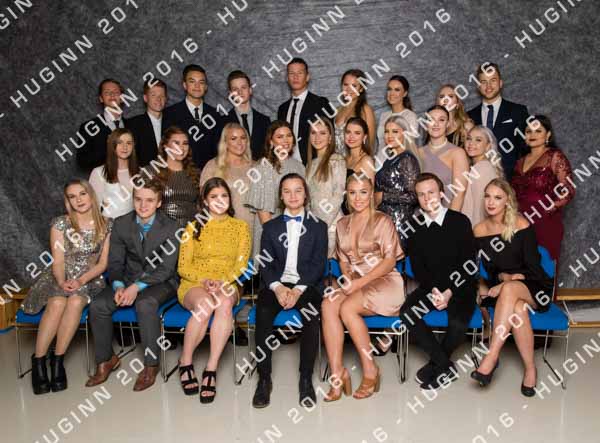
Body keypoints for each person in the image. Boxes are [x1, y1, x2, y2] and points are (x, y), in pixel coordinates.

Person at [86, 179, 179, 392]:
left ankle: (150, 365)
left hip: (161, 281)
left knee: (145, 304)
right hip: (127, 279)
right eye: (138, 199)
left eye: (149, 200)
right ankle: (106, 360)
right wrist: (118, 285)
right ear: (133, 199)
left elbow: (166, 269)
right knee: (98, 305)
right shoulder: (121, 223)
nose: (143, 205)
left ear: (159, 202)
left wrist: (136, 287)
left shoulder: (172, 226)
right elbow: (115, 262)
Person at [22, 179, 112, 395]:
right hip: (59, 275)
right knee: (57, 302)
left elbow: (102, 264)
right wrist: (62, 282)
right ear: (68, 201)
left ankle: (58, 361)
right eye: (72, 197)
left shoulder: (106, 224)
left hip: (89, 278)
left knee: (76, 302)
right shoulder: (60, 224)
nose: (78, 200)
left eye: (82, 194)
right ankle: (39, 362)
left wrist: (80, 281)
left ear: (91, 195)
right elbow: (59, 261)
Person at [322, 174, 405, 401]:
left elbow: (390, 261)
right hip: (356, 283)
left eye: (363, 192)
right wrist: (348, 277)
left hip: (385, 282)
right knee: (328, 304)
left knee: (347, 308)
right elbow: (343, 260)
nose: (358, 198)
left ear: (371, 194)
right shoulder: (342, 224)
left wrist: (359, 282)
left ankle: (370, 370)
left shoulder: (383, 221)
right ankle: (338, 374)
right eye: (352, 193)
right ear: (347, 195)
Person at [471, 178, 554, 397]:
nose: (491, 202)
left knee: (510, 290)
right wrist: (504, 278)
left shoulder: (521, 224)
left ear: (507, 201)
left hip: (534, 286)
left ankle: (491, 356)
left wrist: (512, 280)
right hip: (503, 289)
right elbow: (488, 270)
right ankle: (530, 369)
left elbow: (534, 268)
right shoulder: (479, 230)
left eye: (497, 197)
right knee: (518, 309)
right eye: (487, 196)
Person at [252, 173, 328, 408]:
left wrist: (298, 291)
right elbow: (265, 263)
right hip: (277, 283)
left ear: (305, 194)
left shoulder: (319, 226)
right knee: (263, 313)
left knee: (311, 316)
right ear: (281, 196)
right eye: (287, 191)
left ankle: (305, 378)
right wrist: (278, 288)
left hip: (307, 284)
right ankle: (264, 379)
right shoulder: (270, 227)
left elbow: (318, 264)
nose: (293, 196)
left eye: (298, 190)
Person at [399, 173, 477, 390]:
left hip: (461, 286)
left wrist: (449, 292)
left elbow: (469, 264)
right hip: (431, 287)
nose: (427, 198)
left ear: (442, 194)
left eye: (431, 192)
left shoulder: (460, 221)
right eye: (421, 194)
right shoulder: (414, 226)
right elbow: (418, 268)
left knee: (458, 323)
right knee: (407, 312)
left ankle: (436, 364)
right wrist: (435, 292)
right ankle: (445, 365)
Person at [176, 178, 251, 403]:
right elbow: (182, 266)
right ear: (205, 201)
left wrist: (221, 281)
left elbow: (241, 264)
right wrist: (205, 280)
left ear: (230, 199)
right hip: (194, 282)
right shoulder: (193, 227)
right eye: (214, 197)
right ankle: (185, 362)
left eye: (224, 196)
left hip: (227, 282)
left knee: (224, 303)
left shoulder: (240, 227)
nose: (220, 201)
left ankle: (211, 368)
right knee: (206, 304)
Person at [511, 115, 574, 260]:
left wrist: (547, 209)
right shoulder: (520, 161)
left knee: (544, 264)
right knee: (521, 264)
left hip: (545, 222)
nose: (532, 135)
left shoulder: (555, 157)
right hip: (520, 221)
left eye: (538, 131)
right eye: (528, 131)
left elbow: (568, 189)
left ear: (548, 134)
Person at [244, 120, 305, 258]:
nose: (285, 140)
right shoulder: (262, 168)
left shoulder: (299, 167)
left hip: (296, 230)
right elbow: (264, 214)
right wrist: (279, 241)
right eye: (280, 136)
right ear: (271, 142)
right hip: (272, 234)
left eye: (289, 135)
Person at [467, 63, 530, 180]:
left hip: (511, 179)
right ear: (478, 86)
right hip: (478, 178)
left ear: (500, 83)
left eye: (493, 80)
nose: (488, 86)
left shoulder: (518, 111)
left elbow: (526, 147)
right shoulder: (469, 116)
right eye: (484, 82)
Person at [163, 64, 224, 171]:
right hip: (179, 173)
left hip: (209, 173)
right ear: (184, 85)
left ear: (206, 87)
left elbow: (219, 149)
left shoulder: (215, 114)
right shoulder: (170, 114)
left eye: (201, 82)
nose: (197, 86)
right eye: (192, 81)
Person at [375, 114, 421, 243]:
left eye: (395, 131)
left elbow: (413, 196)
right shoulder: (390, 159)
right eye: (386, 131)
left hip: (400, 224)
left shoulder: (407, 159)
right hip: (385, 221)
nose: (389, 136)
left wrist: (383, 196)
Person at [200, 122, 255, 231]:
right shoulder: (213, 165)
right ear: (225, 142)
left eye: (243, 138)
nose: (239, 142)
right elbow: (204, 199)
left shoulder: (256, 166)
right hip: (222, 228)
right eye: (233, 139)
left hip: (252, 226)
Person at [277, 58, 330, 165]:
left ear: (307, 77)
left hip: (313, 164)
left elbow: (329, 136)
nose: (295, 77)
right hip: (287, 164)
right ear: (287, 78)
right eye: (291, 73)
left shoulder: (320, 104)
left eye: (300, 73)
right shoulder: (282, 109)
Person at [306, 118, 346, 257]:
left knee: (329, 266)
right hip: (313, 225)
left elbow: (338, 195)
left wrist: (322, 224)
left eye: (322, 133)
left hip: (331, 225)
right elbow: (308, 198)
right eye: (313, 133)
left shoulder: (336, 160)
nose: (317, 137)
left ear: (330, 138)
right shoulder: (310, 164)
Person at [420, 105, 470, 213]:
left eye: (441, 120)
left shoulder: (457, 153)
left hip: (446, 214)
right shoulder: (418, 152)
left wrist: (450, 220)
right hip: (421, 216)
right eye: (431, 120)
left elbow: (459, 193)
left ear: (448, 124)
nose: (436, 124)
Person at [150, 126, 199, 229]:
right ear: (165, 146)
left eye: (185, 143)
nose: (181, 148)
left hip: (192, 232)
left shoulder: (196, 173)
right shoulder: (152, 173)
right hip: (162, 232)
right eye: (176, 143)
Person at [77, 79, 129, 172]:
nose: (112, 95)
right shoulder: (89, 127)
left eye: (116, 92)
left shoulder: (133, 125)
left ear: (122, 98)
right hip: (102, 178)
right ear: (101, 98)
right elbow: (82, 161)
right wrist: (108, 148)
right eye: (107, 92)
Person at [89, 128, 139, 218]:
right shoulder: (99, 173)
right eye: (120, 142)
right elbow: (93, 209)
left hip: (133, 224)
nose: (125, 147)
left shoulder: (141, 172)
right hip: (109, 223)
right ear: (112, 145)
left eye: (129, 143)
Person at [223, 70, 271, 160]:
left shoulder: (264, 121)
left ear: (250, 90)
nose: (240, 92)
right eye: (235, 89)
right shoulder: (222, 122)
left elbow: (269, 152)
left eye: (243, 87)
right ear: (230, 94)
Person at [462, 126, 504, 226]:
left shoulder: (482, 168)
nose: (471, 143)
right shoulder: (481, 166)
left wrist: (477, 232)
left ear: (488, 146)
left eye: (478, 140)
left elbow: (480, 208)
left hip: (475, 228)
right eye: (468, 138)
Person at [333, 69, 377, 156]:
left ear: (361, 89)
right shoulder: (337, 110)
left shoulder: (366, 110)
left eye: (354, 85)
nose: (349, 89)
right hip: (336, 161)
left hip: (356, 161)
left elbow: (370, 144)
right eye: (345, 84)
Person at [127, 79, 168, 167]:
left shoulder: (174, 123)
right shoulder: (133, 125)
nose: (158, 99)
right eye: (153, 95)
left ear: (166, 98)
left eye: (162, 95)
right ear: (145, 98)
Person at [376, 75, 419, 154]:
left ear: (405, 93)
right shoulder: (384, 115)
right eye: (389, 89)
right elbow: (380, 144)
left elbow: (409, 146)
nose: (392, 93)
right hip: (379, 160)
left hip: (398, 160)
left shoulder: (410, 117)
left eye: (397, 90)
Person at [343, 117, 375, 215]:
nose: (351, 136)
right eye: (348, 132)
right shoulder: (344, 159)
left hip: (359, 214)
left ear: (364, 137)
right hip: (343, 214)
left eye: (357, 133)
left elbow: (370, 196)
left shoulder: (366, 161)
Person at [435, 84, 474, 148]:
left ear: (458, 104)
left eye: (450, 96)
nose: (445, 100)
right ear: (437, 103)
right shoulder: (433, 128)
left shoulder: (466, 127)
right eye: (441, 97)